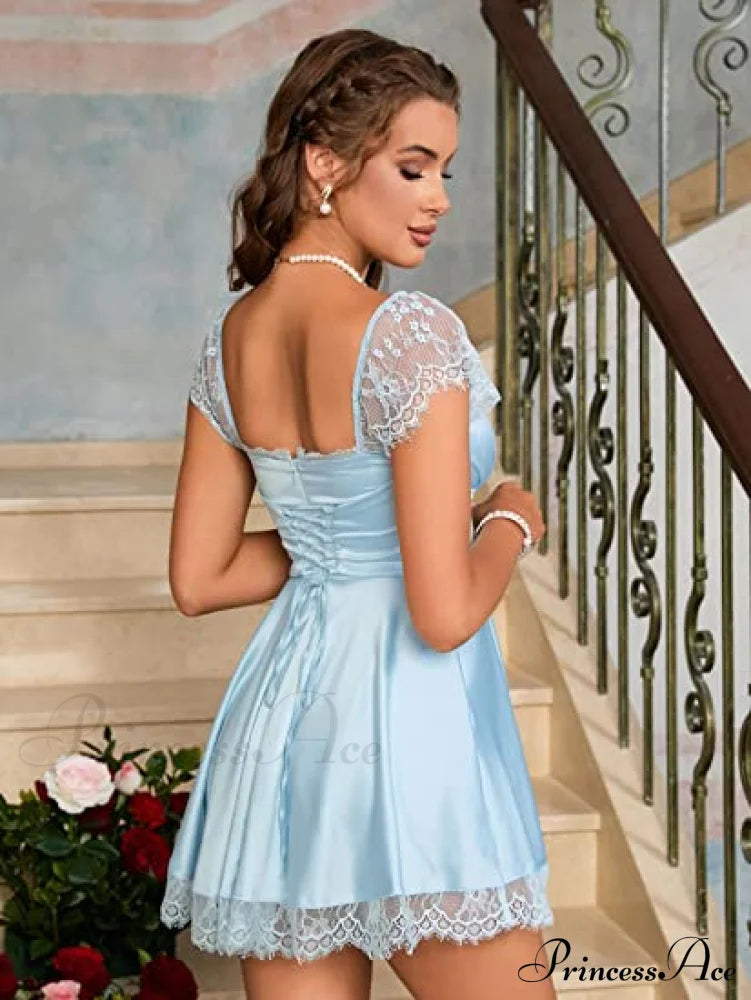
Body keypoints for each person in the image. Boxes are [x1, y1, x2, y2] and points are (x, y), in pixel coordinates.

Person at [159, 26, 553, 1000]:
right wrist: (505, 520)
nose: (438, 197)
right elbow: (443, 613)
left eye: (444, 171)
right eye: (413, 167)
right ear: (324, 163)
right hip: (408, 731)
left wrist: (340, 539)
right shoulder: (408, 332)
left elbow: (200, 579)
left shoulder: (230, 338)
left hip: (285, 737)